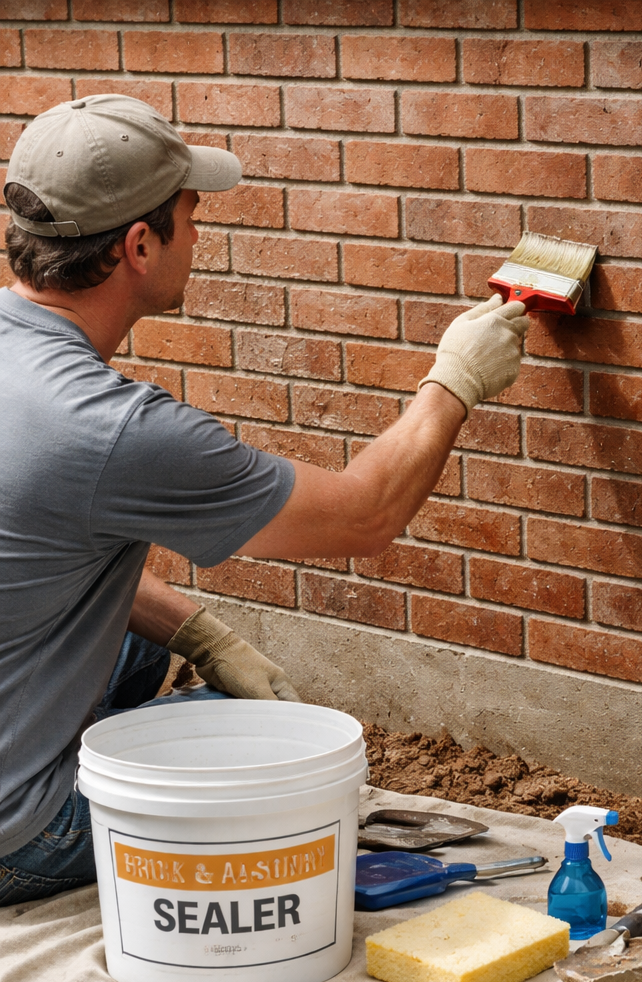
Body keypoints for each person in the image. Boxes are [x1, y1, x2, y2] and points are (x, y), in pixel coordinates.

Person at [0, 94, 529, 906]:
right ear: (140, 245)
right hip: (16, 839)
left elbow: (36, 543)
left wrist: (201, 634)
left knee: (145, 651)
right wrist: (454, 380)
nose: (202, 235)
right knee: (277, 766)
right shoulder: (108, 430)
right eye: (191, 214)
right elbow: (365, 515)